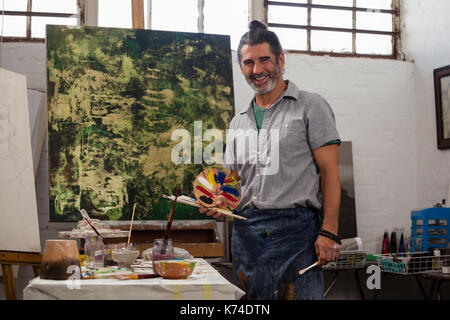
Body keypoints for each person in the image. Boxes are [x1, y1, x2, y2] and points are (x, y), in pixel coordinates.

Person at [199, 20, 341, 300]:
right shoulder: (238, 122)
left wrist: (330, 232)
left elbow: (331, 174)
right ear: (241, 67)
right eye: (248, 62)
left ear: (281, 60)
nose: (257, 70)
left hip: (298, 236)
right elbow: (233, 182)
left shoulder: (311, 106)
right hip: (247, 237)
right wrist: (219, 205)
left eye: (264, 60)